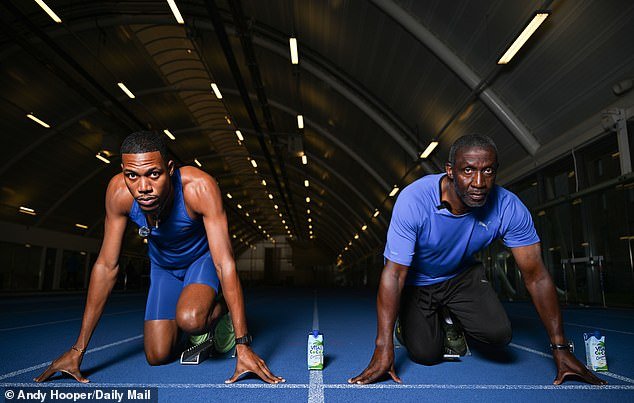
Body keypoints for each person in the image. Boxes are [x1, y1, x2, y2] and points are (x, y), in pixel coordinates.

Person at [349, 134, 606, 386]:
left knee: (499, 335)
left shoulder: (508, 207)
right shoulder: (414, 200)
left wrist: (560, 346)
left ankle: (452, 315)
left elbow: (536, 276)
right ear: (450, 171)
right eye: (468, 170)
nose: (479, 182)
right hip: (419, 281)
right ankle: (408, 322)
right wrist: (383, 346)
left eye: (488, 171)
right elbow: (393, 274)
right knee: (426, 354)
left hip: (461, 275)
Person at [35, 131, 283, 384]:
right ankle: (192, 309)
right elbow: (106, 266)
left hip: (201, 260)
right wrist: (78, 349)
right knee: (157, 355)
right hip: (163, 268)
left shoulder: (199, 187)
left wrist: (243, 345)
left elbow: (225, 262)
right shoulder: (118, 192)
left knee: (191, 319)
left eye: (154, 174)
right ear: (123, 172)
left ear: (170, 168)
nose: (143, 187)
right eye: (132, 175)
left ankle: (216, 310)